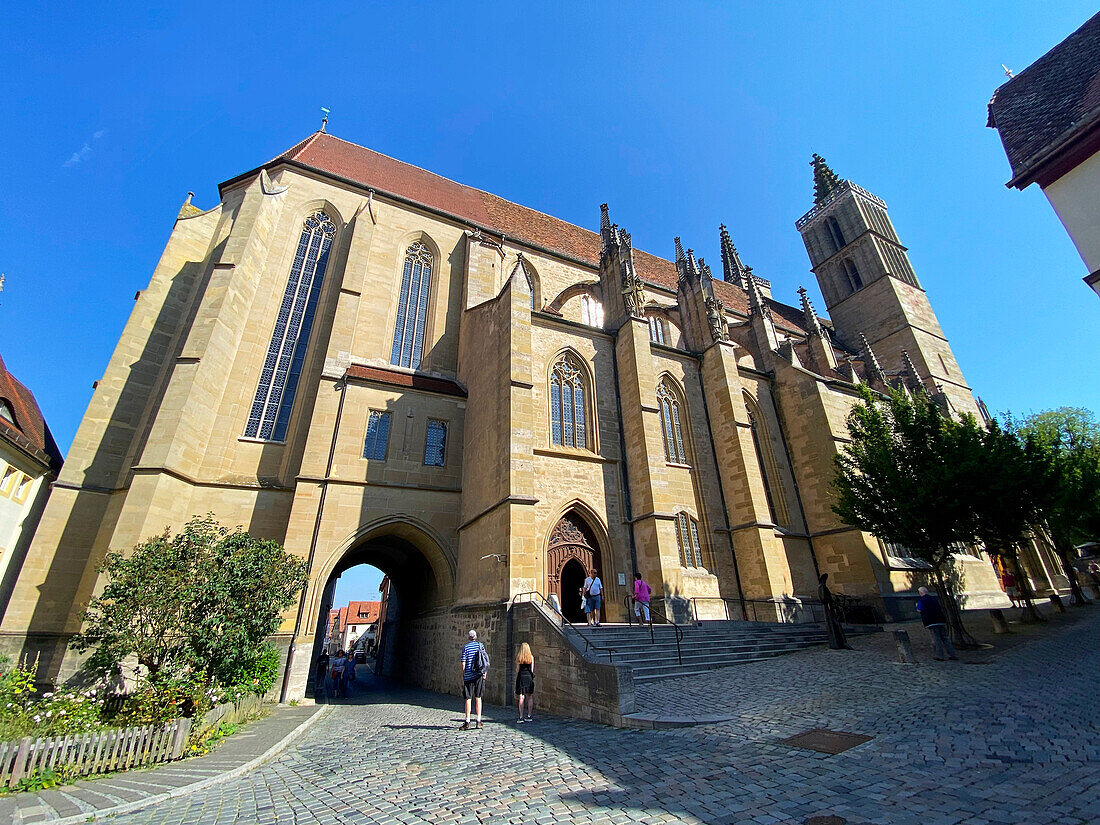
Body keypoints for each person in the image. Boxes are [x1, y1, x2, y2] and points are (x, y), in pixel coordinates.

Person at [916, 586, 958, 661]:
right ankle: (952, 654)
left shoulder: (921, 600)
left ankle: (940, 655)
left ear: (920, 593)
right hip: (940, 620)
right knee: (945, 638)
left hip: (931, 621)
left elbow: (919, 610)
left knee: (936, 639)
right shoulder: (934, 599)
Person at [460, 630, 488, 730]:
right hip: (479, 675)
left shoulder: (465, 648)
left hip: (468, 675)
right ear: (476, 637)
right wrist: (484, 673)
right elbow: (485, 661)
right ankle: (479, 720)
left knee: (468, 698)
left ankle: (467, 721)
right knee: (478, 697)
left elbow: (463, 663)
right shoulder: (480, 646)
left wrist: (463, 675)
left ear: (469, 637)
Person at [817, 573, 852, 650]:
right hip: (828, 608)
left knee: (835, 624)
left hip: (829, 607)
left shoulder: (822, 587)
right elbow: (823, 598)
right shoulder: (822, 587)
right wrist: (830, 602)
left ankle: (840, 642)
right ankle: (840, 642)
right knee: (834, 624)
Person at [514, 642, 535, 723]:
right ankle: (529, 715)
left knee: (521, 697)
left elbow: (517, 670)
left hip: (521, 677)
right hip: (529, 677)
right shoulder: (531, 658)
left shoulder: (519, 657)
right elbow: (532, 670)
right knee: (529, 696)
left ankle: (521, 716)